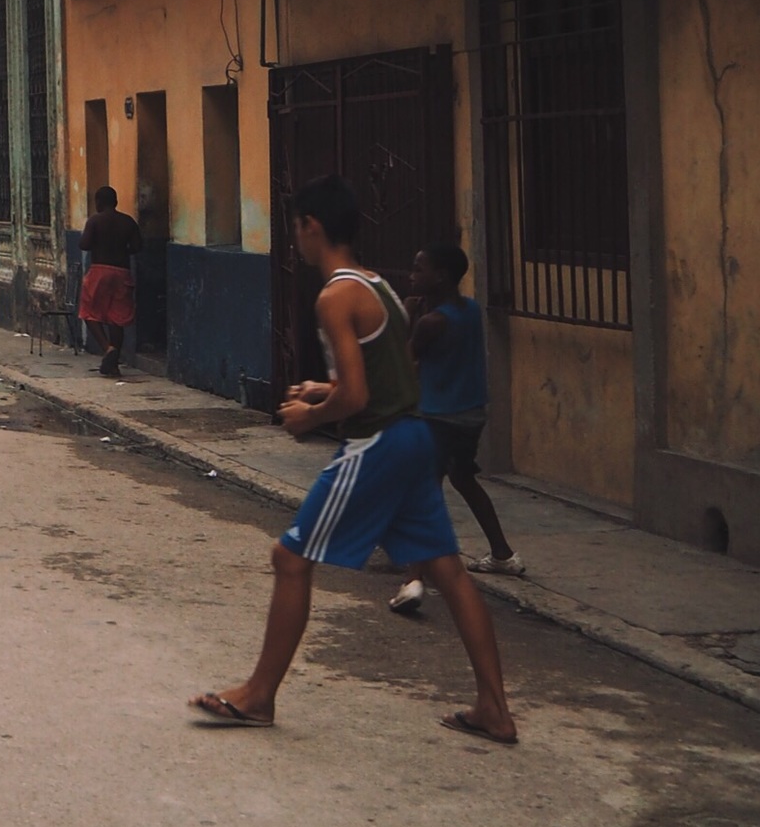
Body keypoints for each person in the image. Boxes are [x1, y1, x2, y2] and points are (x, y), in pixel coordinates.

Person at [191, 176, 515, 743]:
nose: (295, 240)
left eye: (295, 229)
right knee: (448, 570)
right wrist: (321, 389)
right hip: (415, 437)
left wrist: (308, 417)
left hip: (377, 444)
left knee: (291, 558)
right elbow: (375, 376)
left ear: (310, 226)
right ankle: (494, 707)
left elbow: (360, 398)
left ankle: (259, 695)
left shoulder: (334, 295)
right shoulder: (379, 286)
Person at [389, 243, 524, 614]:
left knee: (423, 493)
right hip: (471, 415)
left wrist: (406, 314)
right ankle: (502, 553)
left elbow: (404, 360)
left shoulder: (433, 321)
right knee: (463, 479)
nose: (412, 275)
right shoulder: (470, 310)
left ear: (441, 276)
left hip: (439, 417)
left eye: (420, 269)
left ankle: (413, 580)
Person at [78, 186, 143, 377]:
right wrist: (121, 250)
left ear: (99, 202)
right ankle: (113, 364)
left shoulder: (95, 221)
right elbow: (138, 246)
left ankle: (108, 349)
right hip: (122, 272)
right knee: (118, 318)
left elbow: (84, 244)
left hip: (99, 271)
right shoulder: (128, 222)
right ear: (115, 202)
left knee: (89, 313)